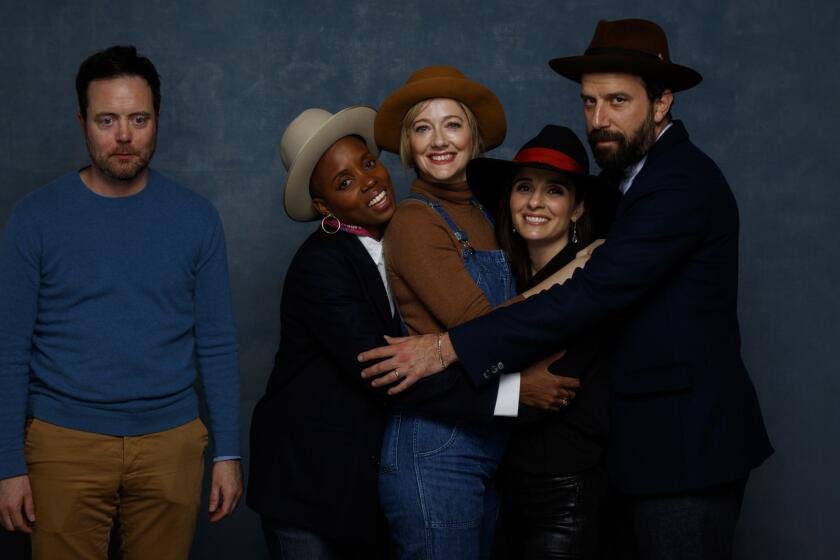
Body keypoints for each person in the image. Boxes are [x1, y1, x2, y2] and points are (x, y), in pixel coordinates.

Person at [360, 19, 773, 560]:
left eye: (618, 101)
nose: (598, 120)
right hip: (613, 456)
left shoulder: (679, 185)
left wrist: (446, 347)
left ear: (662, 101)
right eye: (589, 102)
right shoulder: (635, 179)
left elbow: (590, 296)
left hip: (683, 452)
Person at [0, 46, 242, 559]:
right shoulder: (35, 217)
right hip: (63, 442)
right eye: (107, 119)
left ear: (157, 119)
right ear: (82, 121)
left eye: (139, 118)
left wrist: (227, 451)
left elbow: (217, 344)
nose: (125, 136)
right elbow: (8, 347)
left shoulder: (195, 218)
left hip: (171, 441)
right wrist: (7, 464)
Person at [246, 106, 507, 559]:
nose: (368, 181)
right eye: (344, 182)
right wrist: (509, 397)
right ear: (325, 207)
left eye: (367, 163)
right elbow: (388, 370)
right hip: (308, 484)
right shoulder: (320, 266)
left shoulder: (406, 236)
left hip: (364, 485)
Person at [372, 66, 585, 560]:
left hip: (485, 444)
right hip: (434, 447)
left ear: (475, 135)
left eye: (452, 124)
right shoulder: (414, 221)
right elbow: (487, 328)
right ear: (408, 144)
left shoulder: (488, 213)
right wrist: (578, 271)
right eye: (423, 128)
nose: (438, 140)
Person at [468, 125, 614, 558]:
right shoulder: (503, 281)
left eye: (554, 191)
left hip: (566, 494)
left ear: (576, 209)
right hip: (510, 490)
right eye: (524, 188)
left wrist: (476, 377)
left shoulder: (590, 282)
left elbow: (546, 397)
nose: (534, 202)